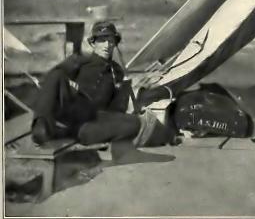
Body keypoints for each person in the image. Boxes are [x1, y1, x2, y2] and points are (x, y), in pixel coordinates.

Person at [31, 21, 173, 148]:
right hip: (73, 108)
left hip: (94, 120)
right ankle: (41, 125)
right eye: (102, 40)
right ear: (93, 43)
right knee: (57, 74)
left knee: (137, 123)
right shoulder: (80, 60)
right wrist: (71, 86)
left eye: (110, 40)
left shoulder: (116, 71)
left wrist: (138, 84)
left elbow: (118, 105)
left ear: (115, 43)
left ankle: (70, 134)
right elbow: (54, 80)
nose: (107, 45)